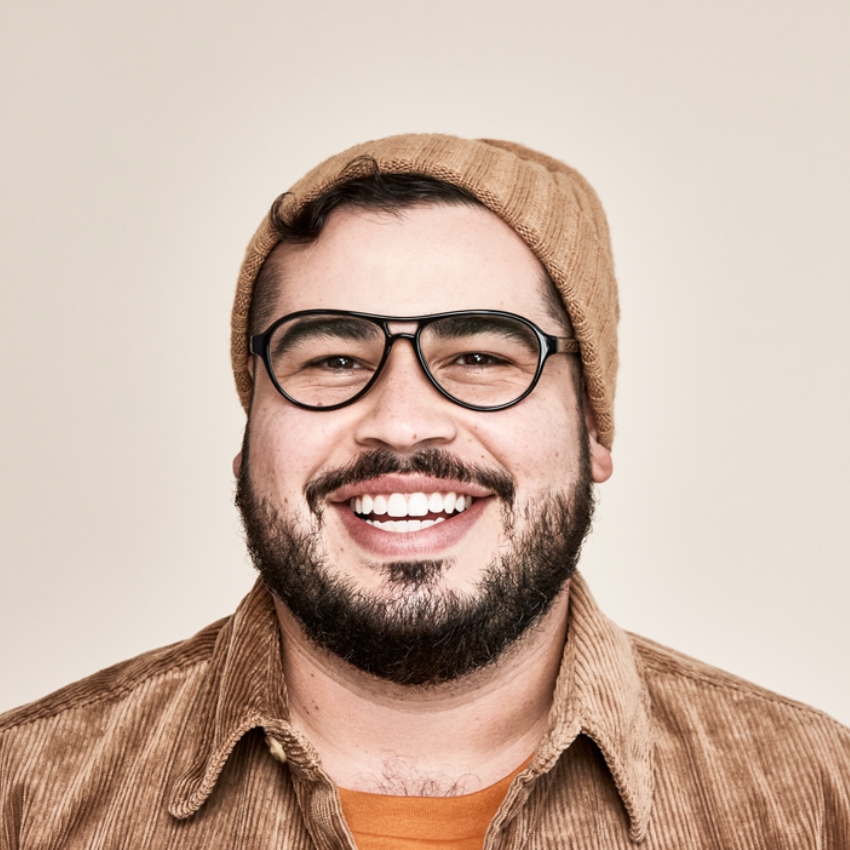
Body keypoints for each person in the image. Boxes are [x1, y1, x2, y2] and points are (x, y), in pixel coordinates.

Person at [1, 134, 847, 849]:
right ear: (249, 432)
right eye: (331, 359)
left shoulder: (818, 799)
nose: (401, 423)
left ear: (594, 430)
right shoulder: (25, 800)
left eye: (481, 356)